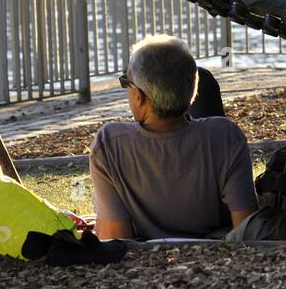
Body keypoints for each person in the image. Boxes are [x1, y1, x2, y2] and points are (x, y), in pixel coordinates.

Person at [89, 35, 257, 240]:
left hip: (146, 259)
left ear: (139, 96)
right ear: (194, 91)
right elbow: (245, 226)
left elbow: (117, 239)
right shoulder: (225, 135)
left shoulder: (110, 143)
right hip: (215, 251)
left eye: (126, 83)